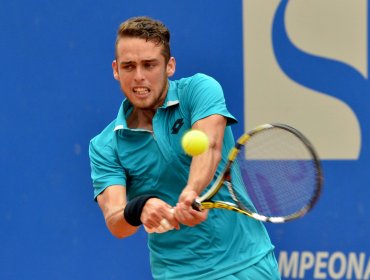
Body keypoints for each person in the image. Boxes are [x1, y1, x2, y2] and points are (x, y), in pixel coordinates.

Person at [89, 16, 281, 280]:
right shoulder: (104, 146)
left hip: (246, 264)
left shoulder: (200, 90)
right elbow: (116, 221)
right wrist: (140, 207)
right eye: (129, 66)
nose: (139, 77)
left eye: (149, 65)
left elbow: (209, 146)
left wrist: (191, 191)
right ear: (115, 69)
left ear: (170, 66)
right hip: (176, 274)